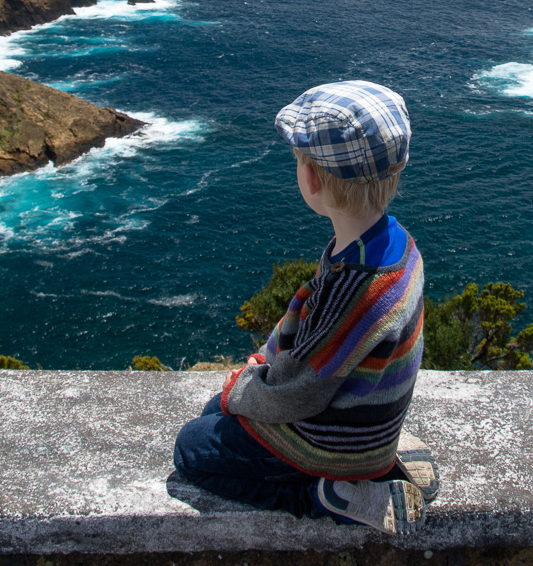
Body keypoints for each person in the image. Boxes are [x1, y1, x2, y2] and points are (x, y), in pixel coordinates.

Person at [172, 80, 437, 535]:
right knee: (215, 411)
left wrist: (242, 386)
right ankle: (376, 466)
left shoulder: (359, 286)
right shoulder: (394, 245)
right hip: (369, 424)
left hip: (335, 446)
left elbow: (299, 392)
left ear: (312, 179)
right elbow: (318, 339)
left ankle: (321, 494)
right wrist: (257, 373)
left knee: (192, 447)